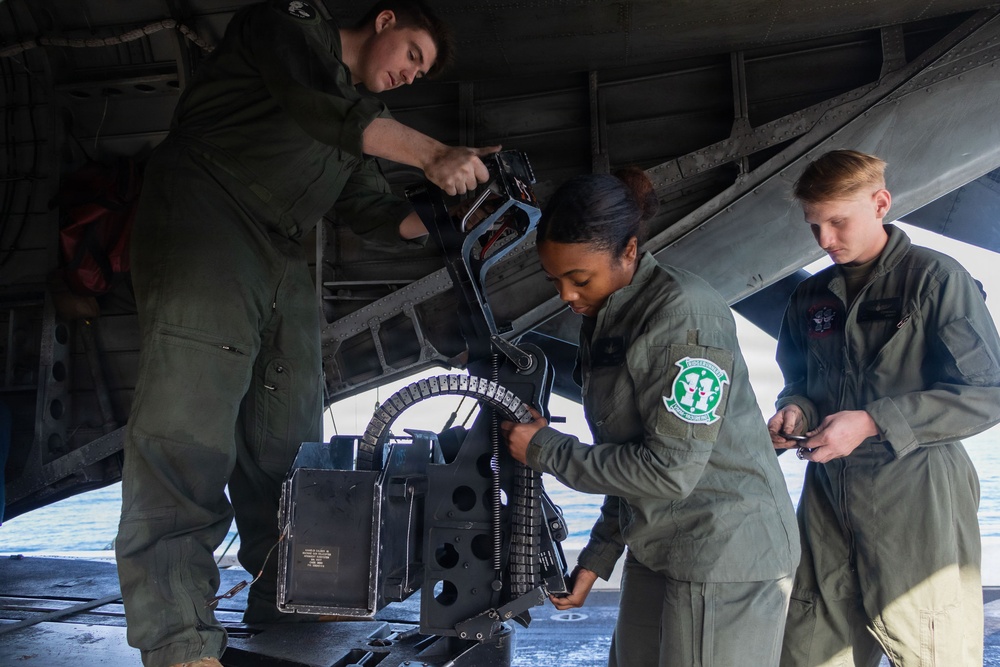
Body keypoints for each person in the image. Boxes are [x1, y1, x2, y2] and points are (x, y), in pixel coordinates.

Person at [113, 2, 499, 666]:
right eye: (413, 54)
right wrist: (435, 154)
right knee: (188, 428)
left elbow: (378, 213)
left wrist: (458, 218)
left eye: (422, 72)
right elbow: (328, 110)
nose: (412, 75)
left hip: (280, 255)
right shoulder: (287, 30)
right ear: (385, 21)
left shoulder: (351, 127)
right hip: (207, 218)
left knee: (289, 433)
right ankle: (178, 634)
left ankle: (287, 596)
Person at [501, 168, 800, 667]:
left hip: (723, 552)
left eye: (580, 279)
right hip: (660, 543)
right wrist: (595, 562)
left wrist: (544, 449)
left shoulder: (684, 315)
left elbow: (667, 469)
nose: (567, 296)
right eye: (556, 280)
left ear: (630, 252)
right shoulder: (606, 315)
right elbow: (629, 453)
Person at [768, 149, 1000, 667]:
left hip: (918, 499)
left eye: (837, 222)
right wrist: (794, 414)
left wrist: (873, 422)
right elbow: (800, 383)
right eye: (814, 227)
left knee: (932, 651)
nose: (825, 240)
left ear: (880, 203)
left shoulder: (936, 279)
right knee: (806, 653)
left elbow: (988, 393)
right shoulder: (809, 297)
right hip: (828, 501)